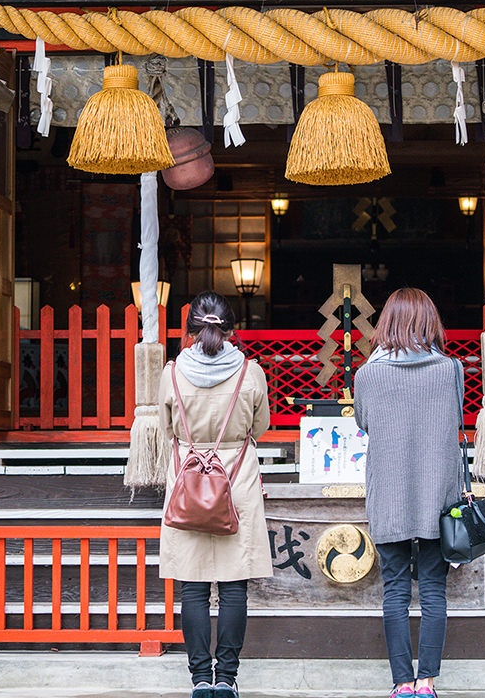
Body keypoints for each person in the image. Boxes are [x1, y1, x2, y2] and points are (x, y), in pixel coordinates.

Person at [159, 291, 272, 698]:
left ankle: (199, 679)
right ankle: (226, 677)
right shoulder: (251, 373)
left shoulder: (172, 373)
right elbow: (259, 427)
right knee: (233, 586)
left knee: (191, 586)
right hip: (235, 480)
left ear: (190, 330)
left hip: (187, 480)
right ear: (231, 330)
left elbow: (166, 428)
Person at [353, 288, 464, 698]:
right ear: (430, 323)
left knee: (395, 590)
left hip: (390, 495)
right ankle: (428, 682)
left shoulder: (366, 374)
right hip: (439, 498)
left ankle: (401, 683)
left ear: (387, 324)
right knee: (434, 590)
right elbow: (456, 412)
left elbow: (363, 421)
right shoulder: (451, 370)